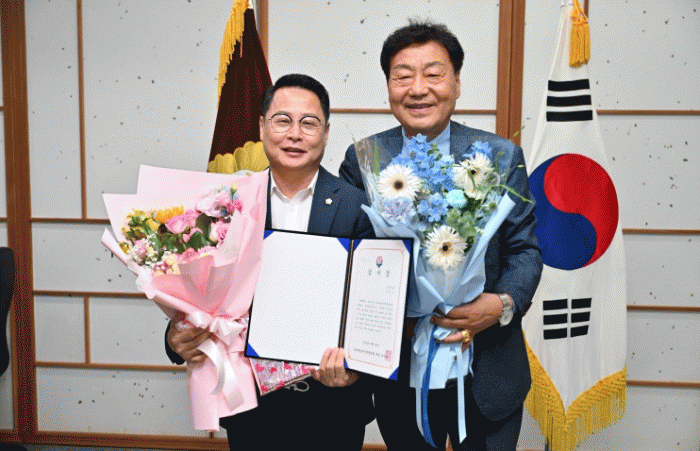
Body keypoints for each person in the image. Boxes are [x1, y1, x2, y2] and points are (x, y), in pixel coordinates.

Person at [338, 21, 543, 450]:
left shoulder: (500, 156)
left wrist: (501, 305)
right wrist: (393, 316)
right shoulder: (364, 159)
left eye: (433, 74)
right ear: (389, 86)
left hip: (489, 364)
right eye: (403, 76)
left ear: (457, 83)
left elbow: (524, 249)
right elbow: (354, 255)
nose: (418, 89)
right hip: (402, 363)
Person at [165, 74, 374, 450]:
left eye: (308, 123)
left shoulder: (358, 206)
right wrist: (177, 335)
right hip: (252, 405)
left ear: (326, 132)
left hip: (333, 404)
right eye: (282, 120)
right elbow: (199, 290)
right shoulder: (226, 203)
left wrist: (356, 368)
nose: (294, 134)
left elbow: (373, 307)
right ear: (262, 127)